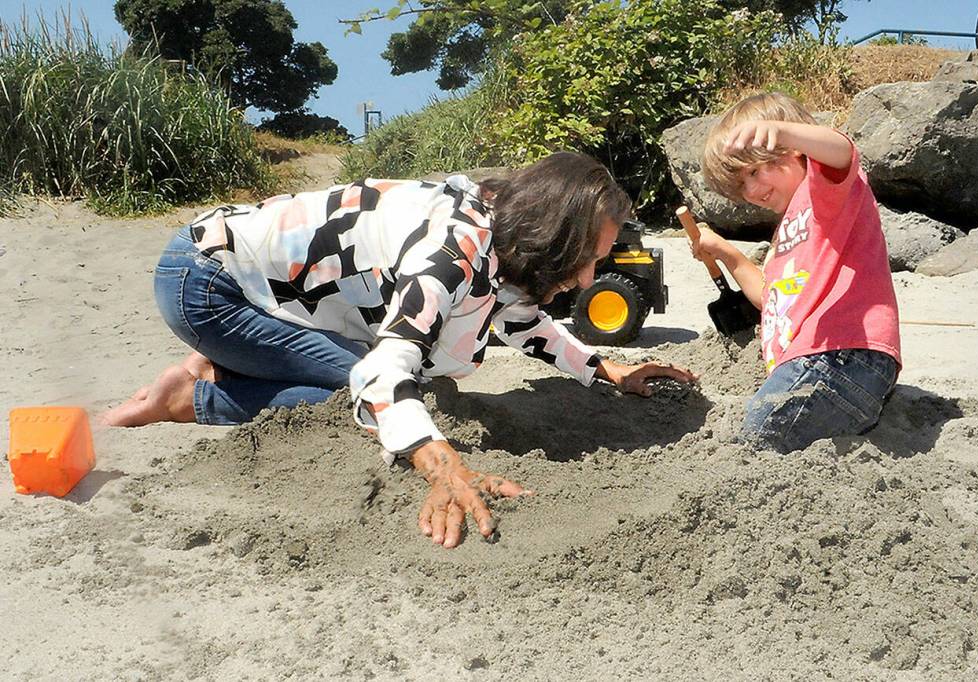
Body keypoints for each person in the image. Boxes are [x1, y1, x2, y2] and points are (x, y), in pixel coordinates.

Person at [103, 151, 696, 547]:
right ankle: (195, 396)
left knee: (407, 394)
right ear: (552, 234)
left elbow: (518, 315)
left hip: (264, 287)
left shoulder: (501, 222)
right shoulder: (452, 253)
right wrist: (443, 468)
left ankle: (233, 359)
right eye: (587, 258)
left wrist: (604, 368)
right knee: (364, 396)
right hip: (209, 283)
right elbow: (382, 376)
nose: (588, 279)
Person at [695, 92, 901, 452]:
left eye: (755, 171)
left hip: (841, 354)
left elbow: (842, 152)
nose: (752, 190)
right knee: (770, 428)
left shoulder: (825, 192)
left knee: (758, 433)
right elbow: (772, 300)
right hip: (827, 366)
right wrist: (728, 254)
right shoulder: (787, 231)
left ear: (794, 150)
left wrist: (783, 131)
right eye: (741, 184)